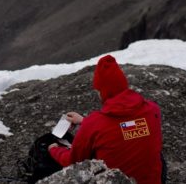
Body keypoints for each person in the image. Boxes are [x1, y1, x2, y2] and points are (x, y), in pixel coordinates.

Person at [48, 55, 163, 184]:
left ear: (103, 91)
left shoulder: (95, 122)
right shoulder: (153, 109)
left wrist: (54, 150)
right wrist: (84, 121)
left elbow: (73, 161)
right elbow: (122, 128)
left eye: (98, 90)